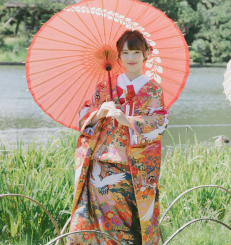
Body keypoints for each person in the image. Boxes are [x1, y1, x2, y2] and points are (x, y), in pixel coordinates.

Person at [68, 30, 169, 245]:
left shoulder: (153, 90)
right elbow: (83, 116)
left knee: (132, 226)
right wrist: (99, 112)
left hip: (136, 171)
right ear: (118, 56)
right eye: (125, 52)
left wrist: (129, 121)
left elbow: (160, 122)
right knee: (103, 226)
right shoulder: (106, 86)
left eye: (135, 52)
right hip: (103, 165)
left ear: (146, 54)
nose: (130, 58)